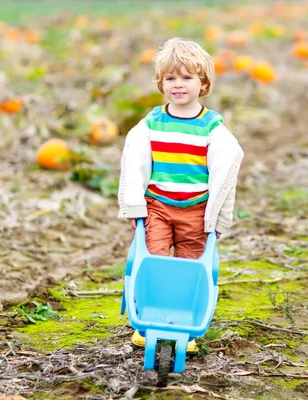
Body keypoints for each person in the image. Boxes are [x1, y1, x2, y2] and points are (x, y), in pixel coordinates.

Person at [117, 37, 244, 350]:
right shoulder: (151, 125)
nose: (178, 84)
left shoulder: (211, 127)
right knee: (153, 262)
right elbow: (134, 164)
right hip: (158, 206)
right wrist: (135, 206)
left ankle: (184, 325)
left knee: (191, 266)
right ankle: (148, 321)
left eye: (187, 77)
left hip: (196, 210)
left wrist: (217, 216)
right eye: (170, 78)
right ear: (161, 84)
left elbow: (225, 166)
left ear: (203, 84)